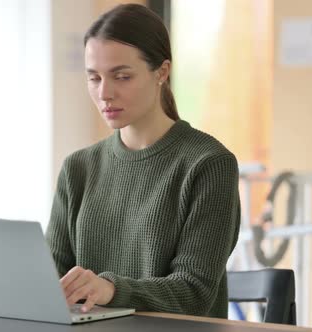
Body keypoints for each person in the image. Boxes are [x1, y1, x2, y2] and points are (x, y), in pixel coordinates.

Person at [45, 4, 241, 318]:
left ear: (162, 72)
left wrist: (109, 289)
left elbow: (194, 293)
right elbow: (50, 281)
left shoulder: (209, 164)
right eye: (94, 78)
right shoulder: (77, 168)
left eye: (121, 76)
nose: (105, 93)